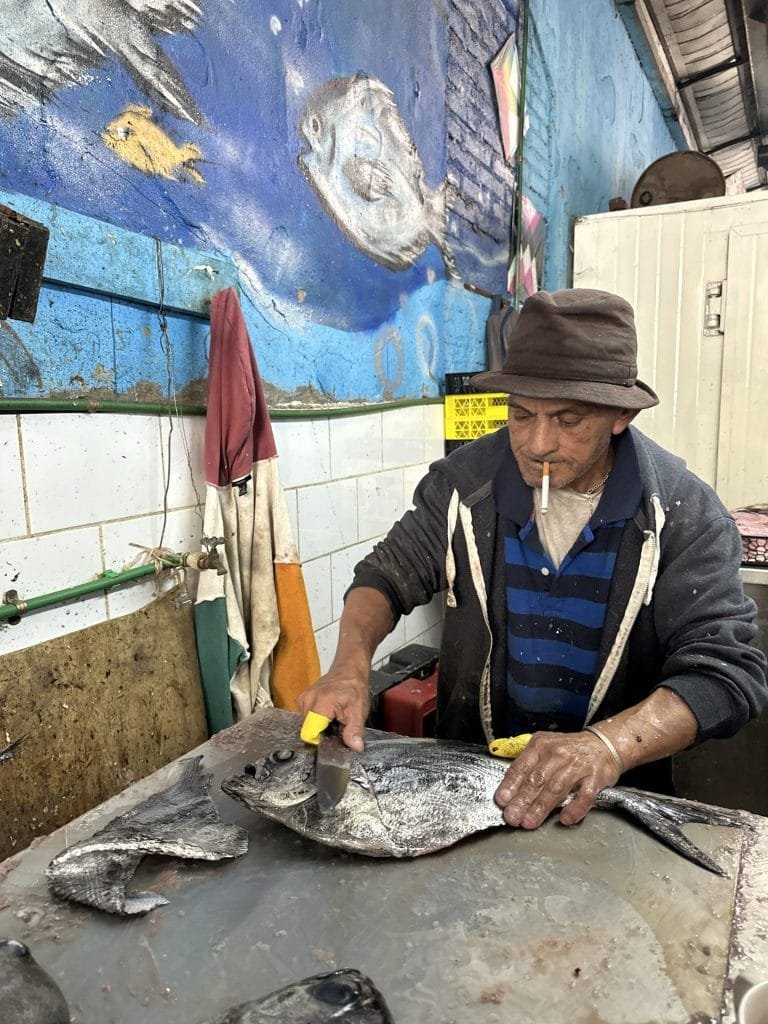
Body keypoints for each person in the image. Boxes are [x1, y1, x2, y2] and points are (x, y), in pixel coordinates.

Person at [297, 288, 768, 831]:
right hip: (473, 788)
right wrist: (349, 667)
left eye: (568, 420)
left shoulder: (682, 514)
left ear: (621, 415)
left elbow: (727, 675)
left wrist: (605, 748)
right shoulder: (464, 485)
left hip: (608, 804)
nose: (538, 442)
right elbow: (387, 574)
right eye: (521, 415)